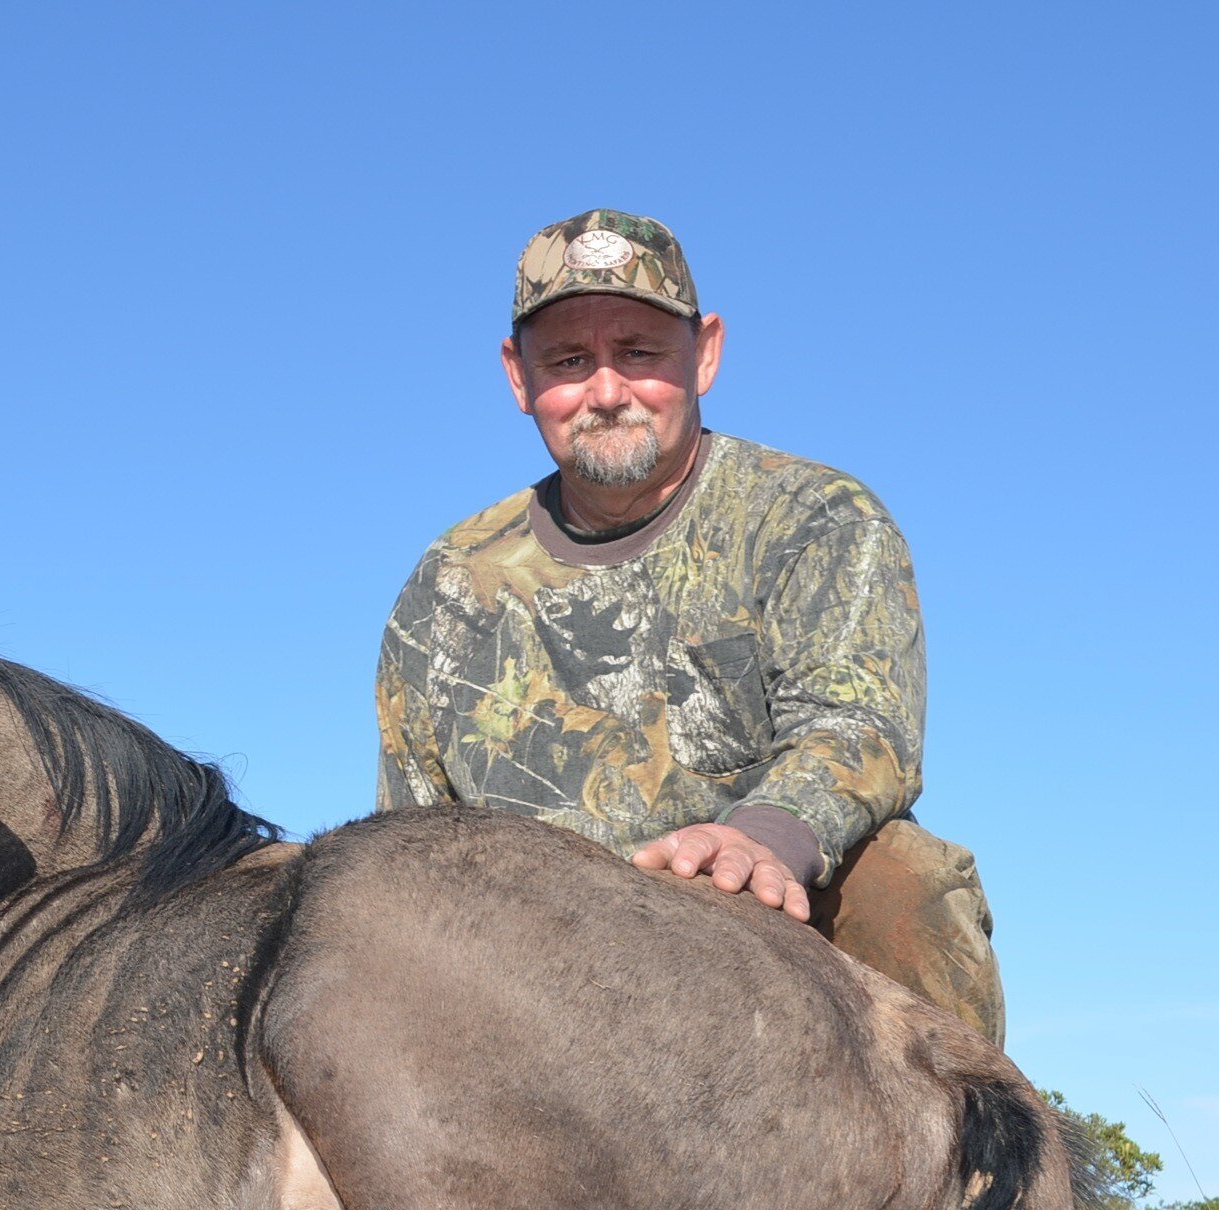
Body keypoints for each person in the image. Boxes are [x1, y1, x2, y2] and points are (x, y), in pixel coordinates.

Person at [377, 209, 1004, 1043]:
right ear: (517, 377)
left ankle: (977, 1166)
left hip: (772, 935)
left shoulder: (814, 517)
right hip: (532, 979)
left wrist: (759, 843)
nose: (606, 392)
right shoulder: (449, 584)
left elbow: (861, 727)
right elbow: (413, 843)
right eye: (569, 361)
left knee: (903, 879)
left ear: (704, 353)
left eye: (639, 352)